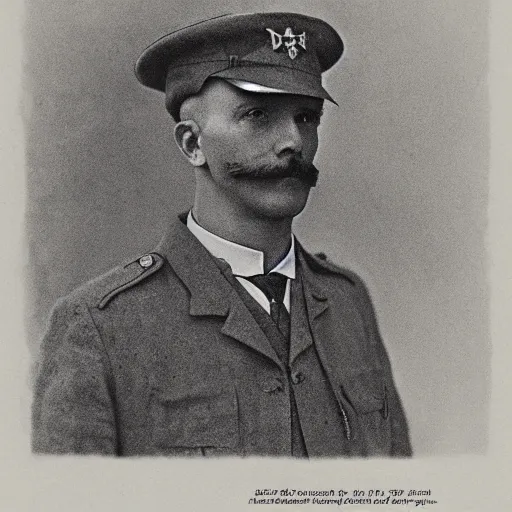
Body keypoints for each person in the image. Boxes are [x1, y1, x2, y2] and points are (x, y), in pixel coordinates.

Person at [32, 12, 412, 457]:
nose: (292, 140)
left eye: (306, 117)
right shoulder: (100, 327)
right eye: (257, 114)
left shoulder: (348, 303)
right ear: (193, 144)